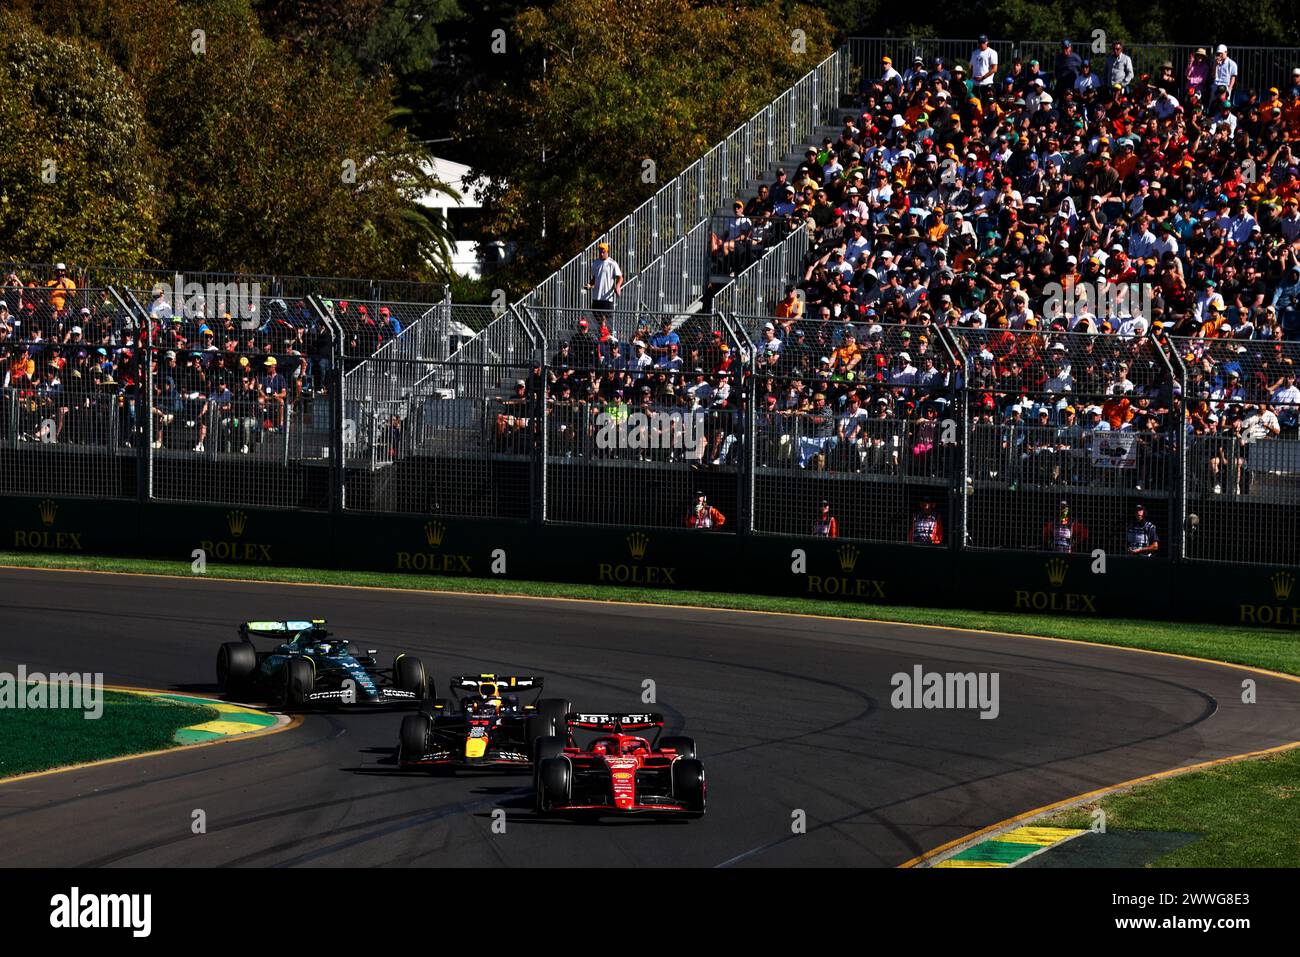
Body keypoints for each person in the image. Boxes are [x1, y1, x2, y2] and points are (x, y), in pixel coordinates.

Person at [586, 242, 623, 317]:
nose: (601, 254)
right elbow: (594, 279)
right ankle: (603, 328)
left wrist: (618, 286)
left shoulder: (612, 263)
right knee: (597, 318)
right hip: (596, 297)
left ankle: (603, 328)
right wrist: (589, 285)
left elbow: (620, 277)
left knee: (603, 320)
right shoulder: (595, 263)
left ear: (607, 252)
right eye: (600, 252)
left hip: (606, 298)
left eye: (603, 252)